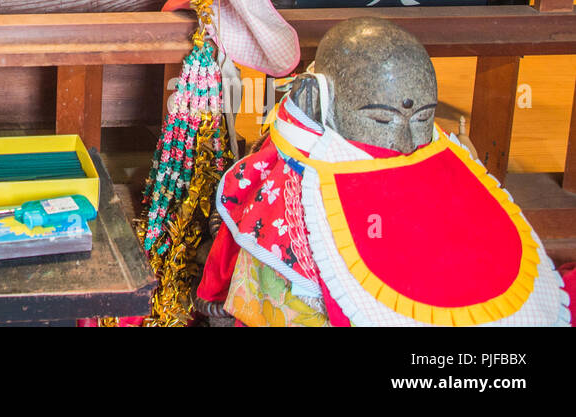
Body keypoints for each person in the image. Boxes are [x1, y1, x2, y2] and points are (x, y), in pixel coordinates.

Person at [196, 16, 570, 326]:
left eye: (423, 117)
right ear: (320, 97)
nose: (406, 140)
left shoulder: (437, 152)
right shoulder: (295, 179)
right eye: (381, 119)